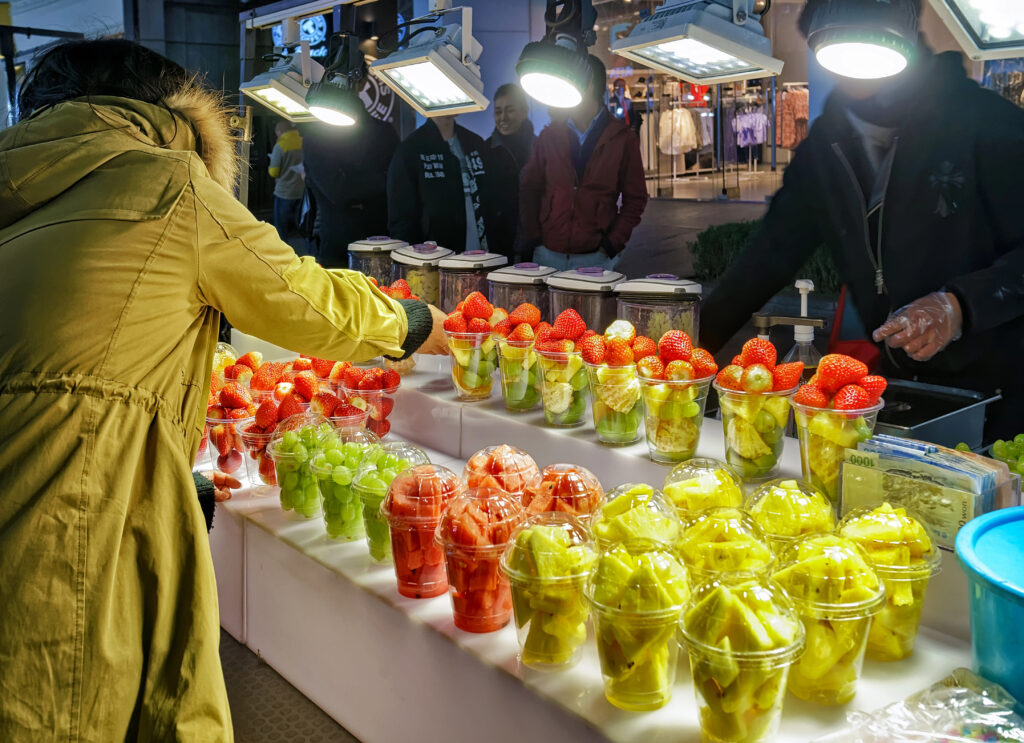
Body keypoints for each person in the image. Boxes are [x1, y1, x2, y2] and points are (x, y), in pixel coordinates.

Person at [0, 39, 447, 741]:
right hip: (66, 542)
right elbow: (303, 299)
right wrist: (414, 320)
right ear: (171, 111)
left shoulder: (21, 193)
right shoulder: (166, 184)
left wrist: (159, 478)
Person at [699, 0, 1024, 439]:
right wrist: (694, 348)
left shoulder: (987, 123)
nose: (854, 71)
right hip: (900, 388)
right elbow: (770, 253)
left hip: (1002, 388)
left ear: (903, 41)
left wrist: (958, 306)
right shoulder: (828, 146)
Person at [518, 54, 648, 271]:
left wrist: (611, 244)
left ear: (589, 86)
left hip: (596, 257)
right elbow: (530, 188)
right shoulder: (550, 135)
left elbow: (636, 199)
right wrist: (534, 238)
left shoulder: (623, 139)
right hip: (548, 253)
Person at [387, 114, 518, 258]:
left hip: (484, 262)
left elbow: (495, 203)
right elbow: (402, 222)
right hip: (437, 265)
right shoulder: (410, 151)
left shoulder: (475, 143)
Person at [299, 110, 399, 268]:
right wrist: (379, 179)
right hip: (341, 243)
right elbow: (338, 191)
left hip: (376, 241)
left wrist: (349, 182)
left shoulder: (382, 131)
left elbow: (395, 182)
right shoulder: (316, 137)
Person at [269, 119, 305, 242]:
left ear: (279, 131)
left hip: (284, 192)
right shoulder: (303, 141)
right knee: (303, 224)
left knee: (281, 227)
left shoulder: (280, 146)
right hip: (302, 191)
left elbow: (273, 172)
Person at [487, 82, 535, 172]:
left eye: (510, 110)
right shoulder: (484, 151)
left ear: (524, 112)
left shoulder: (541, 148)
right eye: (498, 112)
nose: (503, 118)